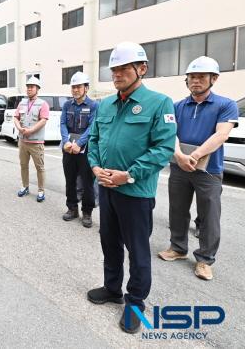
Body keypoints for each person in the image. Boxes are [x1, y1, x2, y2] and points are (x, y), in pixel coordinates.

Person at [86, 42, 176, 334]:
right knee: (109, 242)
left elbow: (163, 148)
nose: (117, 74)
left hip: (135, 193)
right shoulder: (106, 104)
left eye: (124, 68)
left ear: (142, 69)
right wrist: (96, 167)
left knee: (138, 251)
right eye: (114, 69)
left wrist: (129, 175)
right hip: (107, 188)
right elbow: (96, 140)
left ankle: (135, 302)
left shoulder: (159, 103)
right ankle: (112, 288)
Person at [158, 56, 238, 281]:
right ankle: (178, 248)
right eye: (192, 77)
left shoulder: (225, 104)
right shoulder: (177, 106)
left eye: (201, 76)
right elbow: (169, 132)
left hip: (209, 170)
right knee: (178, 209)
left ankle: (204, 259)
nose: (196, 81)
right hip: (179, 166)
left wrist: (194, 155)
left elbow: (221, 134)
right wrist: (179, 156)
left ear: (214, 78)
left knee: (209, 215)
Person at [60, 72, 98, 227]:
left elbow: (93, 126)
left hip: (85, 151)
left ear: (86, 88)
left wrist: (79, 143)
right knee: (70, 181)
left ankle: (87, 212)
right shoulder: (67, 105)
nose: (75, 90)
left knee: (88, 183)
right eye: (73, 87)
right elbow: (62, 123)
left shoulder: (94, 105)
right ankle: (72, 208)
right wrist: (66, 141)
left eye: (78, 87)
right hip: (69, 149)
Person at [13, 76, 49, 202]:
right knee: (23, 165)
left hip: (36, 142)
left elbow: (43, 120)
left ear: (37, 89)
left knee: (40, 167)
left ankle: (41, 190)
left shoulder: (43, 104)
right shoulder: (22, 103)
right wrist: (19, 128)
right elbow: (16, 117)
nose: (29, 89)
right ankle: (25, 186)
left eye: (32, 87)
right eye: (28, 87)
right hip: (23, 141)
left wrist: (30, 130)